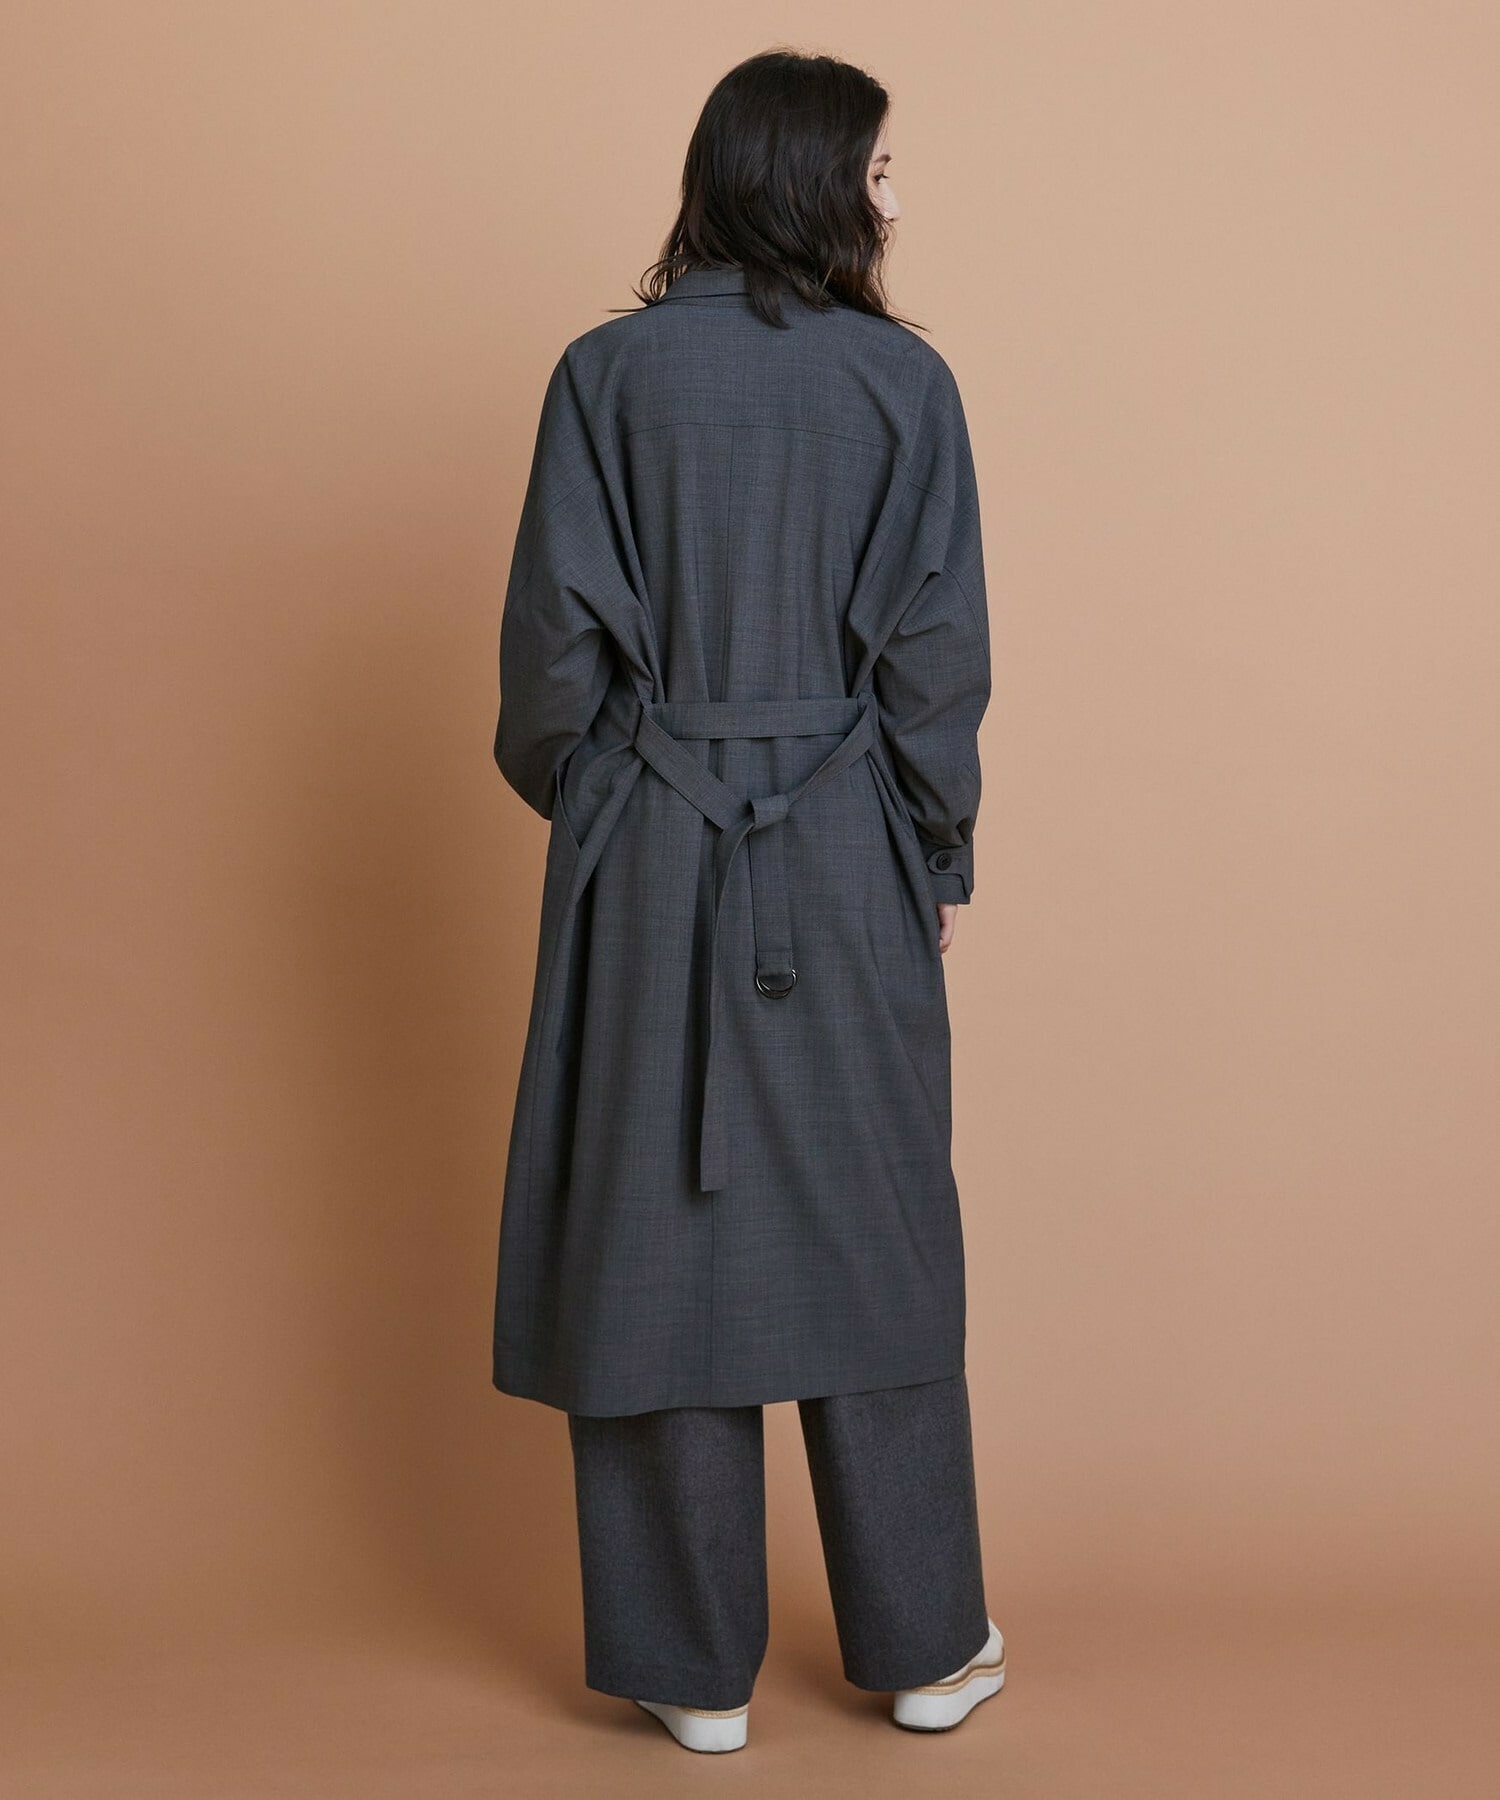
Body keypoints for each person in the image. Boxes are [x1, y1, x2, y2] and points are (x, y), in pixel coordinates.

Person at [490, 48, 1002, 1752]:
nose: (894, 199)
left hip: (651, 836)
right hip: (846, 837)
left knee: (654, 1227)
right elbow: (936, 659)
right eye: (878, 169)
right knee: (878, 1223)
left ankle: (689, 1669)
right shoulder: (902, 386)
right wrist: (932, 850)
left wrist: (604, 806)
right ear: (811, 179)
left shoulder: (604, 377)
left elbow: (552, 659)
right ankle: (925, 1648)